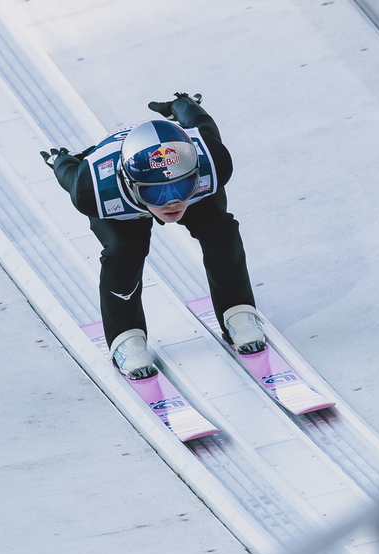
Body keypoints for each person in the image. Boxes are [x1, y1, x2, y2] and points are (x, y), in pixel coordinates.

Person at [41, 92, 265, 380]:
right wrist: (62, 160)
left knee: (220, 230)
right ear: (129, 183)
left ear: (197, 171)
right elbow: (69, 174)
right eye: (155, 193)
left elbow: (200, 122)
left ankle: (237, 309)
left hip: (172, 191)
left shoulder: (213, 159)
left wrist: (179, 103)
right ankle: (125, 336)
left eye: (181, 186)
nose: (172, 203)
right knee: (124, 250)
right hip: (123, 206)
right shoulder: (93, 187)